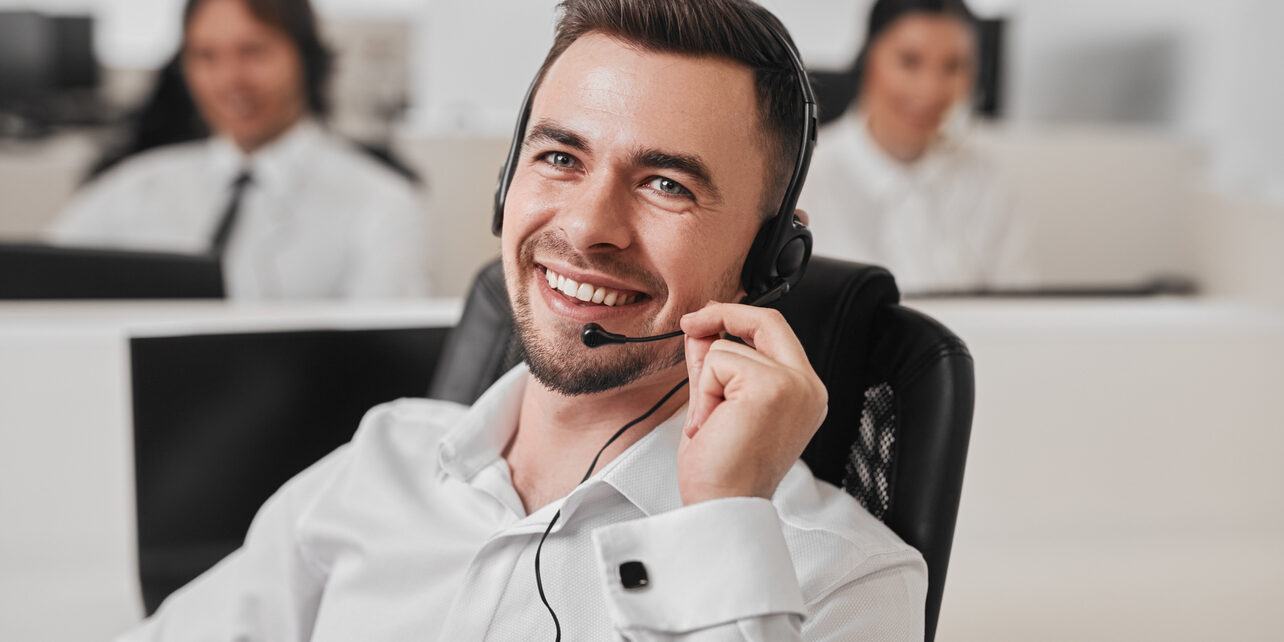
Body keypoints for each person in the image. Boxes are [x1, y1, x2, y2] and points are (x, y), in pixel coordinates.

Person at [116, 0, 927, 639]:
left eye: (666, 184)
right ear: (506, 188)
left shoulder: (841, 578)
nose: (586, 226)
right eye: (560, 158)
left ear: (771, 259)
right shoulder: (379, 465)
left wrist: (717, 525)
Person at [48, 0, 430, 299]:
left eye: (253, 51)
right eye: (207, 56)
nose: (231, 79)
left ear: (304, 56)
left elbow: (388, 365)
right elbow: (40, 288)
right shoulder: (127, 190)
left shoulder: (382, 203)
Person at [799, 0, 1031, 294]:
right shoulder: (805, 179)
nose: (930, 89)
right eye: (910, 61)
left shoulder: (987, 181)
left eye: (953, 66)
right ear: (869, 58)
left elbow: (1019, 310)